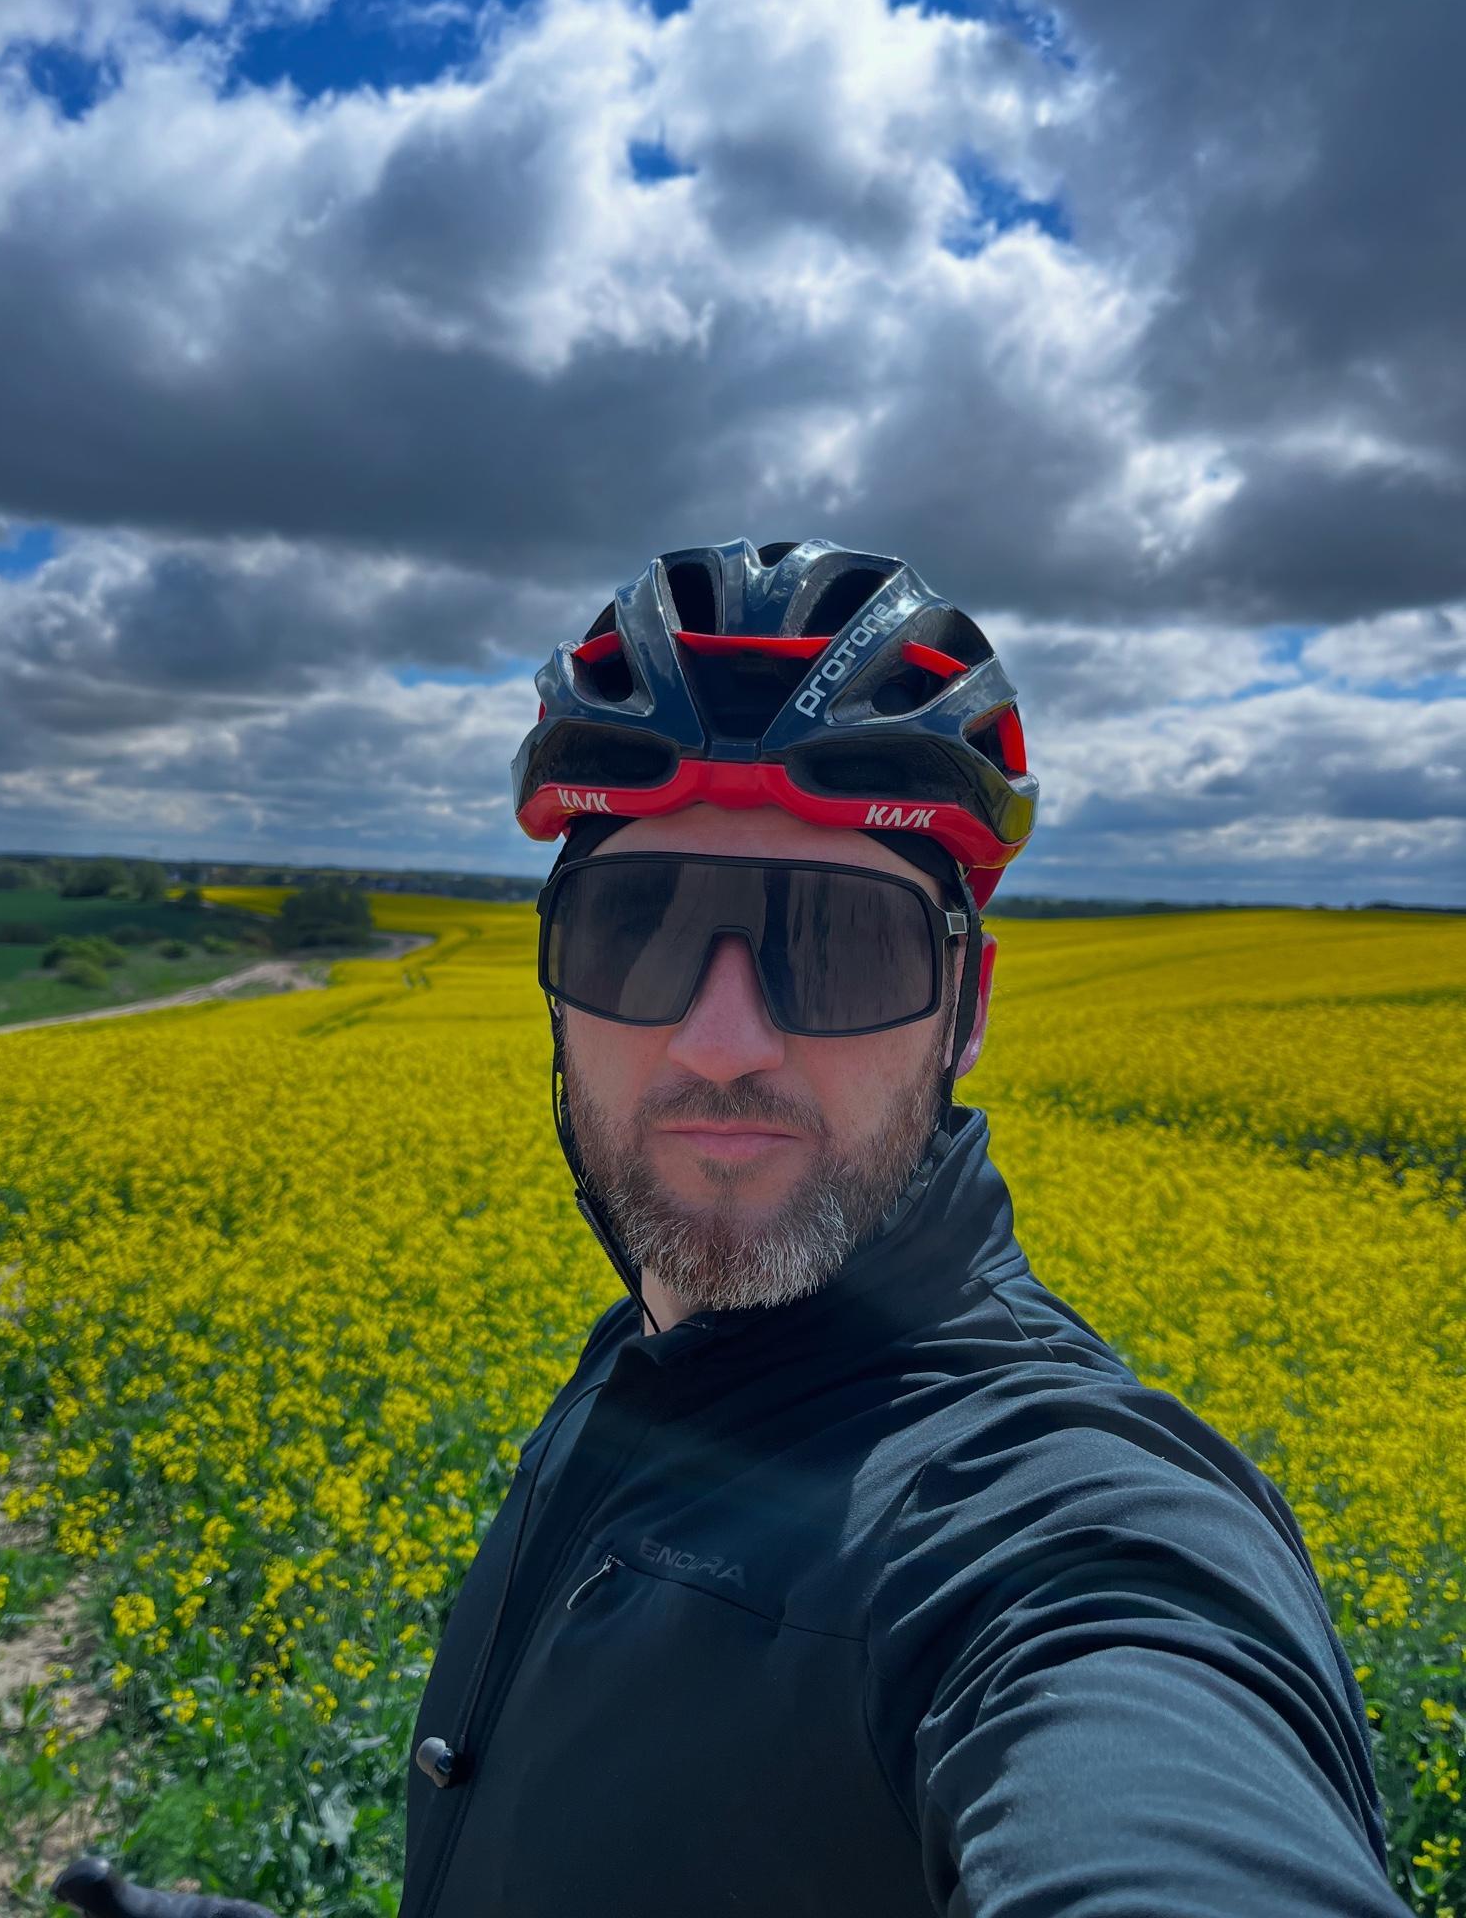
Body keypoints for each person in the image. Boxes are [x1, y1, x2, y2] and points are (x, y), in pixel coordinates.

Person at [397, 537, 1410, 1918]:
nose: (722, 1042)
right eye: (636, 931)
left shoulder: (1046, 1520)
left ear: (967, 1010)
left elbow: (1136, 1716)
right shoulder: (646, 1363)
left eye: (841, 946)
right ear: (556, 980)